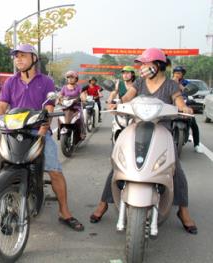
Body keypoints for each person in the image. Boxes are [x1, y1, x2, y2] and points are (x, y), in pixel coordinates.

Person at [0, 44, 84, 231]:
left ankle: (65, 212)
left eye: (23, 56)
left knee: (54, 171)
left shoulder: (46, 81)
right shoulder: (11, 82)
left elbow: (48, 108)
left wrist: (43, 130)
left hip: (37, 131)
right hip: (12, 132)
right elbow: (2, 104)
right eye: (16, 56)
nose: (18, 59)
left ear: (34, 58)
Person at [90, 48, 198, 234]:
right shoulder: (139, 82)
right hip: (137, 128)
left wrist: (184, 107)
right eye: (141, 65)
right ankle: (104, 203)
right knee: (119, 164)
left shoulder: (171, 85)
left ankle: (183, 210)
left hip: (162, 130)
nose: (142, 68)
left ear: (157, 65)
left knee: (175, 169)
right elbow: (127, 97)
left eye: (146, 64)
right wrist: (117, 103)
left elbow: (178, 100)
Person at [172, 66, 203, 153]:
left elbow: (188, 90)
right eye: (176, 73)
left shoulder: (186, 83)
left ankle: (196, 145)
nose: (177, 74)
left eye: (179, 73)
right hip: (172, 105)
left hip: (185, 105)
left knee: (194, 123)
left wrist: (178, 84)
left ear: (182, 74)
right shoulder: (169, 82)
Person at [59, 70, 86, 139]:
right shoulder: (64, 87)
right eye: (68, 78)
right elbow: (60, 95)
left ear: (76, 79)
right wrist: (58, 100)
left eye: (72, 77)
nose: (70, 79)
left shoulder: (79, 87)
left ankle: (82, 133)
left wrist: (83, 99)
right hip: (66, 107)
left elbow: (82, 94)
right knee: (59, 117)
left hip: (76, 107)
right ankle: (60, 132)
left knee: (81, 118)